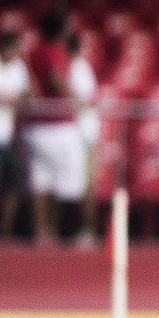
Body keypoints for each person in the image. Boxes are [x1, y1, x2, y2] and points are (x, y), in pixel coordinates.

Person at [21, 15, 88, 244]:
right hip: (57, 126)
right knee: (64, 183)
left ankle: (42, 232)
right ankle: (61, 230)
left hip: (36, 126)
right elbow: (54, 77)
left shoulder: (33, 51)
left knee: (40, 182)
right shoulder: (53, 51)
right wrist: (73, 99)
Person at [67, 33, 100, 244]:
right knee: (81, 185)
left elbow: (85, 101)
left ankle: (89, 229)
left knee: (87, 185)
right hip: (79, 133)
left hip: (85, 134)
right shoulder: (76, 67)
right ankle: (85, 228)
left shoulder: (78, 69)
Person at [0, 31, 27, 236]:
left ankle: (5, 230)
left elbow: (31, 95)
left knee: (13, 184)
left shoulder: (19, 68)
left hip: (8, 136)